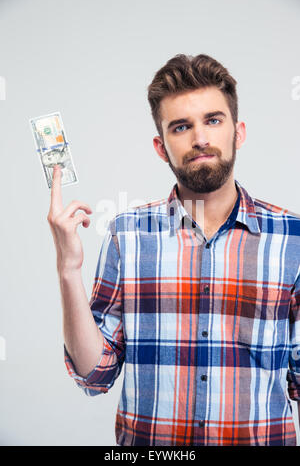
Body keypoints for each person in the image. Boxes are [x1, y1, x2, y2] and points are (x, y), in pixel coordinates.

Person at [47, 54, 300, 446]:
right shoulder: (126, 235)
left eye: (213, 120)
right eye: (181, 127)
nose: (200, 138)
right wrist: (67, 269)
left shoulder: (294, 239)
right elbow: (95, 374)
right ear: (161, 147)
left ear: (239, 132)